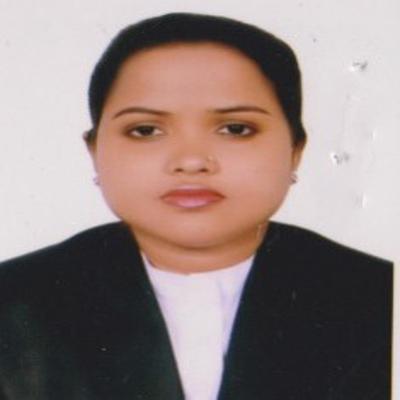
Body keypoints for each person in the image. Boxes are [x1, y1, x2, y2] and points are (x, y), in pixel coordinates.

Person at [0, 12, 392, 400]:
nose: (191, 161)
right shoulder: (13, 301)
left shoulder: (381, 297)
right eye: (146, 130)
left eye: (235, 129)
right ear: (94, 151)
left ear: (295, 151)